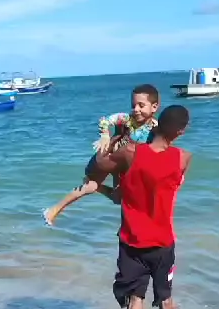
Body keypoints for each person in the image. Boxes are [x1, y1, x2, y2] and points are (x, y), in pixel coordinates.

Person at [84, 104, 192, 309]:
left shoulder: (130, 153)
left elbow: (93, 169)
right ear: (181, 132)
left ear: (157, 121)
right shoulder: (183, 158)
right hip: (164, 242)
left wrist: (111, 141)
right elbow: (170, 184)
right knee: (165, 298)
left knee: (135, 301)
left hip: (132, 242)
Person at [42, 84, 160, 226]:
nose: (136, 109)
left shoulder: (156, 128)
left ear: (154, 107)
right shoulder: (127, 119)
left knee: (117, 198)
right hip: (110, 157)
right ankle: (53, 210)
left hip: (126, 166)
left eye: (141, 105)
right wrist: (105, 135)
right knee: (92, 187)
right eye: (133, 105)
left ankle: (95, 190)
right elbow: (105, 120)